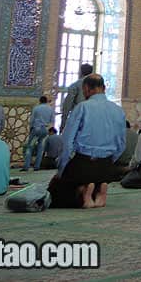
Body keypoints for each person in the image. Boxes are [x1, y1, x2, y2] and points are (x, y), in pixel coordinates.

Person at [49, 74, 125, 209]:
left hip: (84, 163)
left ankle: (84, 194)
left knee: (56, 192)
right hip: (106, 167)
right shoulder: (118, 110)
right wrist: (108, 160)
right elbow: (121, 144)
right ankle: (99, 190)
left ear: (86, 88)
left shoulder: (82, 107)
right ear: (104, 88)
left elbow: (67, 142)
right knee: (96, 175)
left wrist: (62, 168)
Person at [22, 95, 54, 172]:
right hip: (45, 130)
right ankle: (37, 166)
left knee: (30, 147)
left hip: (36, 129)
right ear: (46, 101)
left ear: (40, 101)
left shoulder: (36, 108)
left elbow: (32, 119)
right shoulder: (50, 109)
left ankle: (26, 166)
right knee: (40, 148)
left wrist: (30, 129)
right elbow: (51, 120)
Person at [61, 63, 94, 129]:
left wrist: (63, 124)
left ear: (81, 72)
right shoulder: (97, 86)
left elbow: (67, 105)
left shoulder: (76, 85)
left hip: (79, 118)